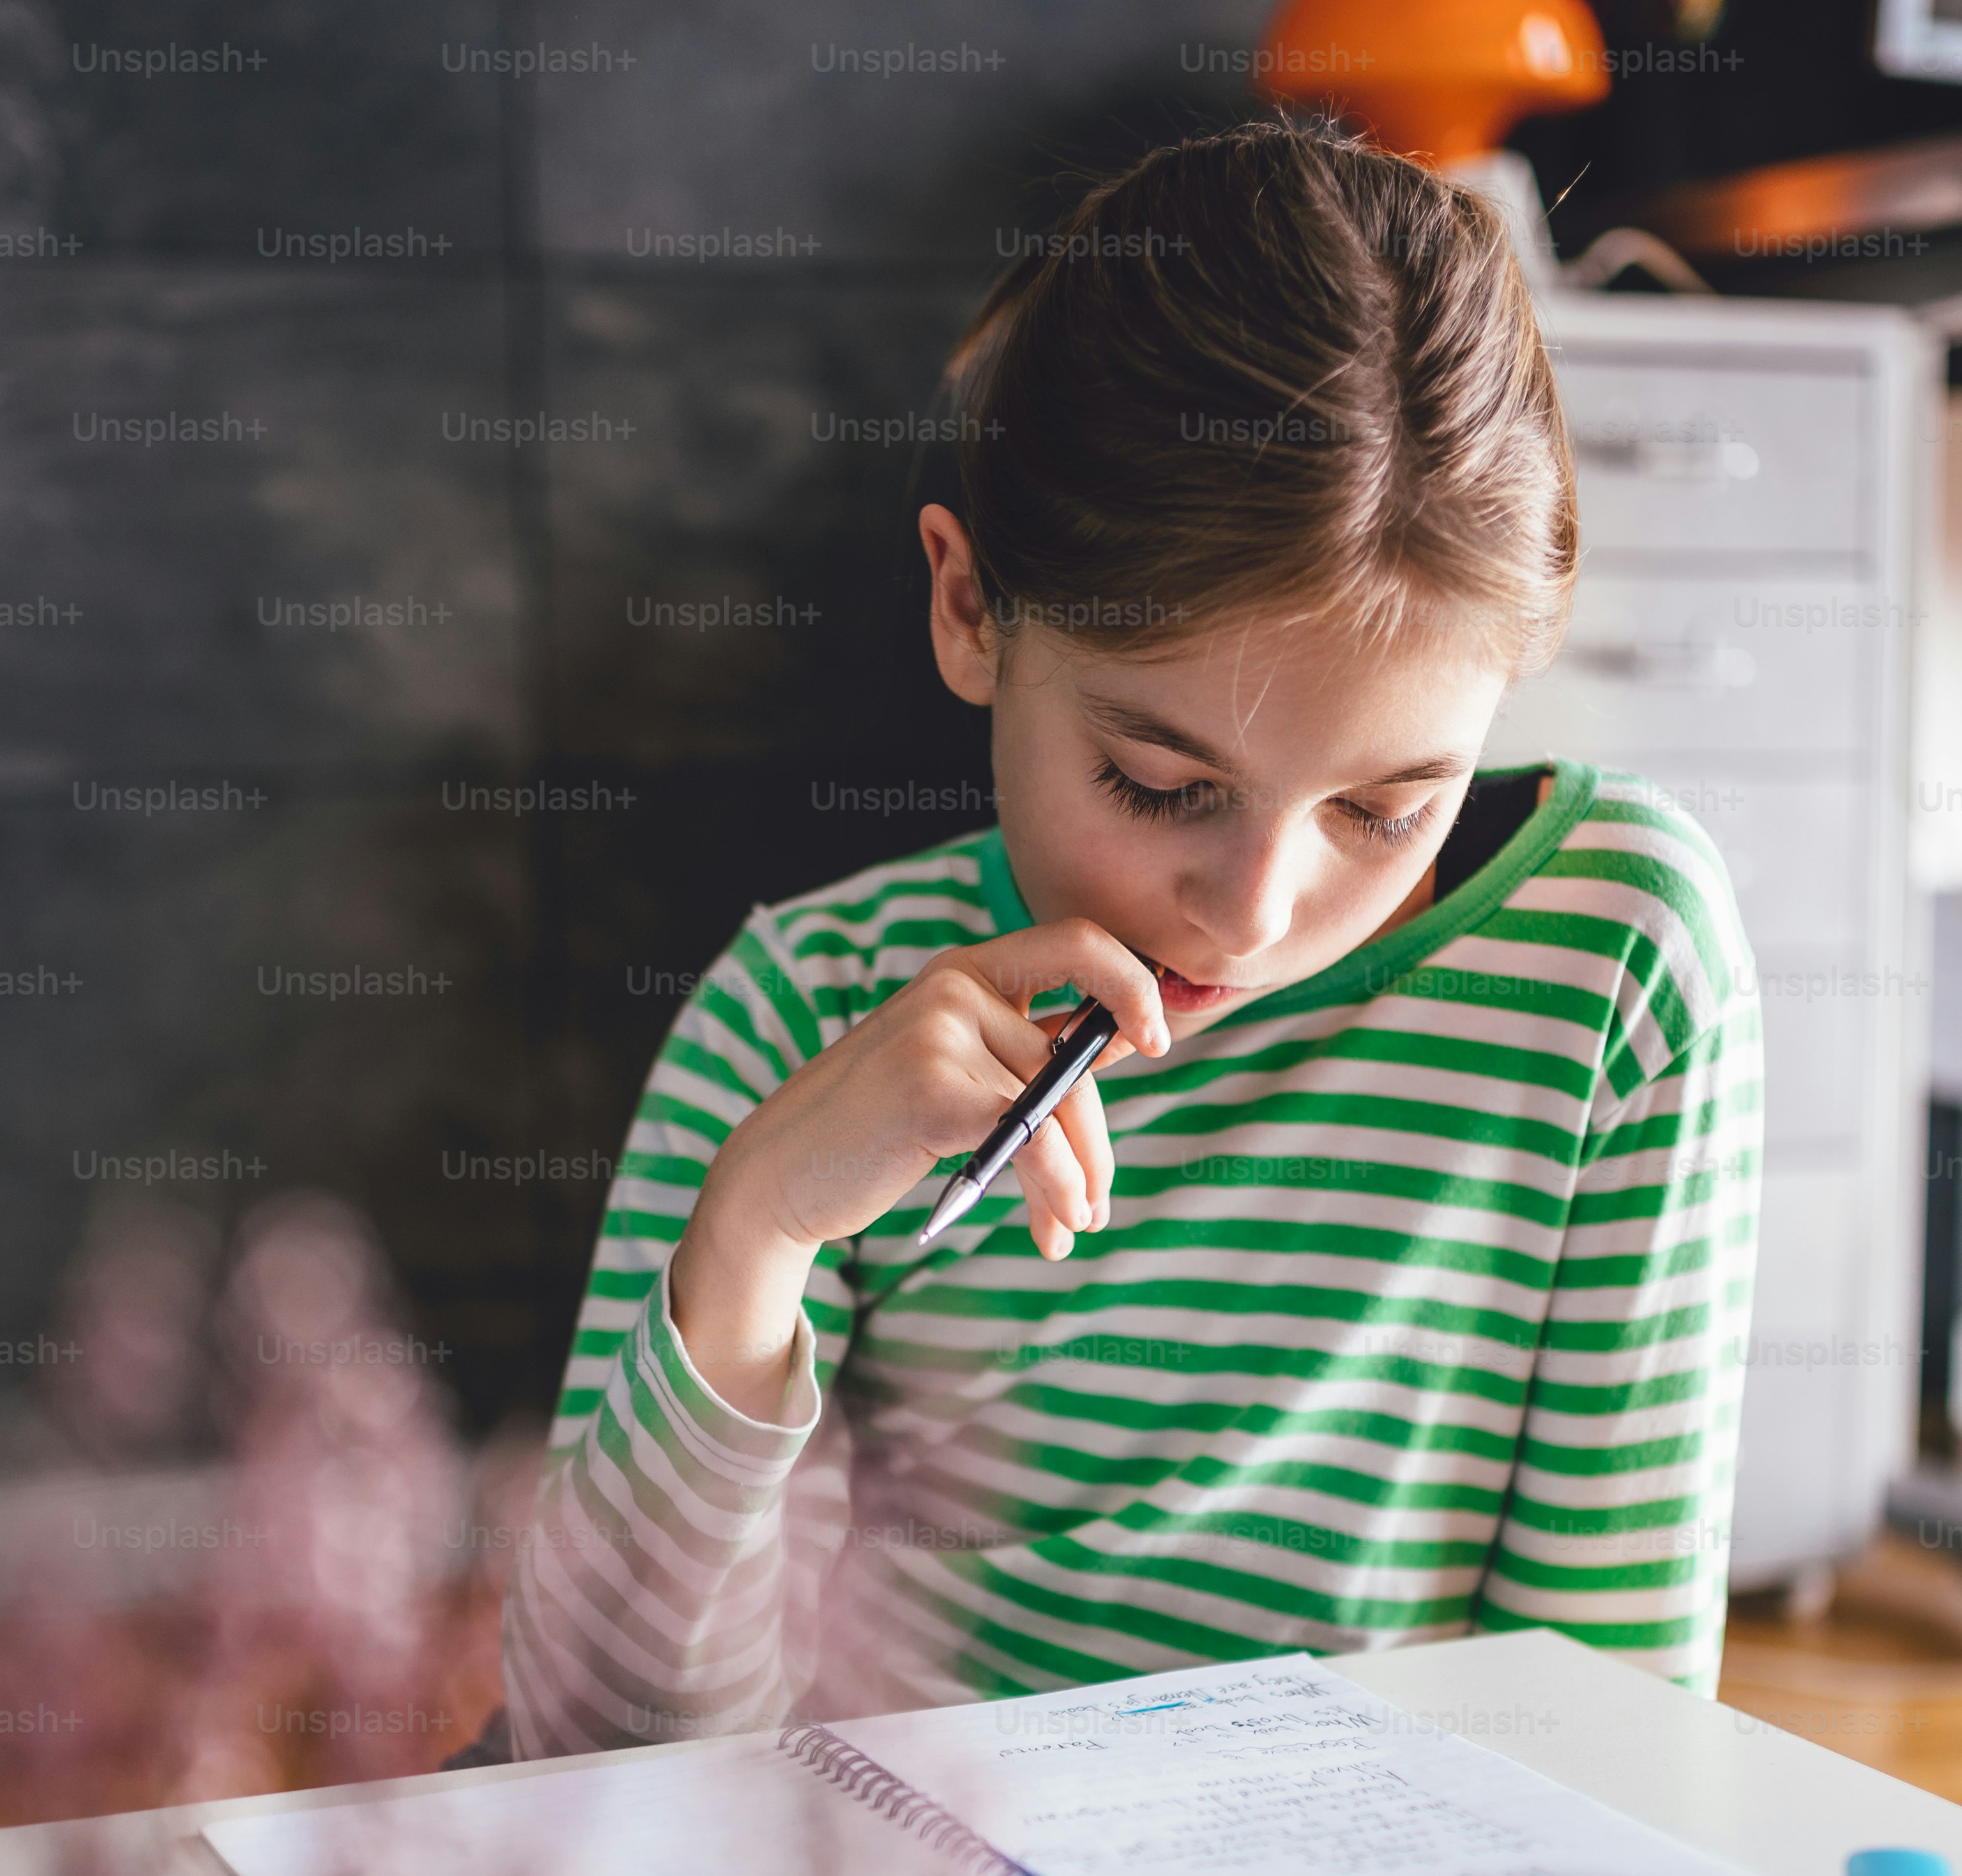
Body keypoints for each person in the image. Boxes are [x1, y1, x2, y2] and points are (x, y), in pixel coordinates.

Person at [499, 121, 1763, 1754]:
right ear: (968, 610)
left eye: (1384, 809)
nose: (1249, 915)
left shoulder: (1615, 962)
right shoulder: (799, 1009)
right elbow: (598, 1758)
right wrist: (750, 1251)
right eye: (1158, 782)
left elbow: (1609, 1725)